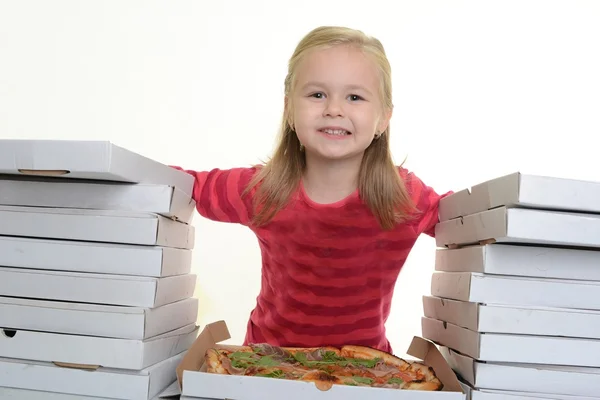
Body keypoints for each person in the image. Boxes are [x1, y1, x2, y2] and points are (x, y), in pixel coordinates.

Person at [173, 25, 450, 354]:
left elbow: (472, 223)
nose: (334, 109)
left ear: (383, 118)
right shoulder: (261, 190)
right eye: (317, 94)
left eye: (355, 97)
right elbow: (180, 185)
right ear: (290, 109)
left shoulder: (405, 198)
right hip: (266, 366)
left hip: (365, 370)